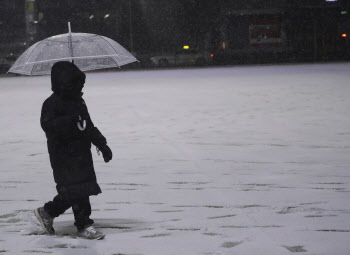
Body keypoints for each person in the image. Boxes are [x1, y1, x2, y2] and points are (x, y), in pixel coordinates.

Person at [34, 61, 112, 240]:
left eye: (81, 84)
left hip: (82, 154)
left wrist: (102, 144)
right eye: (76, 84)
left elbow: (88, 126)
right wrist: (69, 120)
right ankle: (81, 224)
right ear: (63, 83)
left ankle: (49, 213)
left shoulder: (78, 101)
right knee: (73, 191)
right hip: (63, 156)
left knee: (81, 189)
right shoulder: (51, 104)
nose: (80, 87)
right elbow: (48, 126)